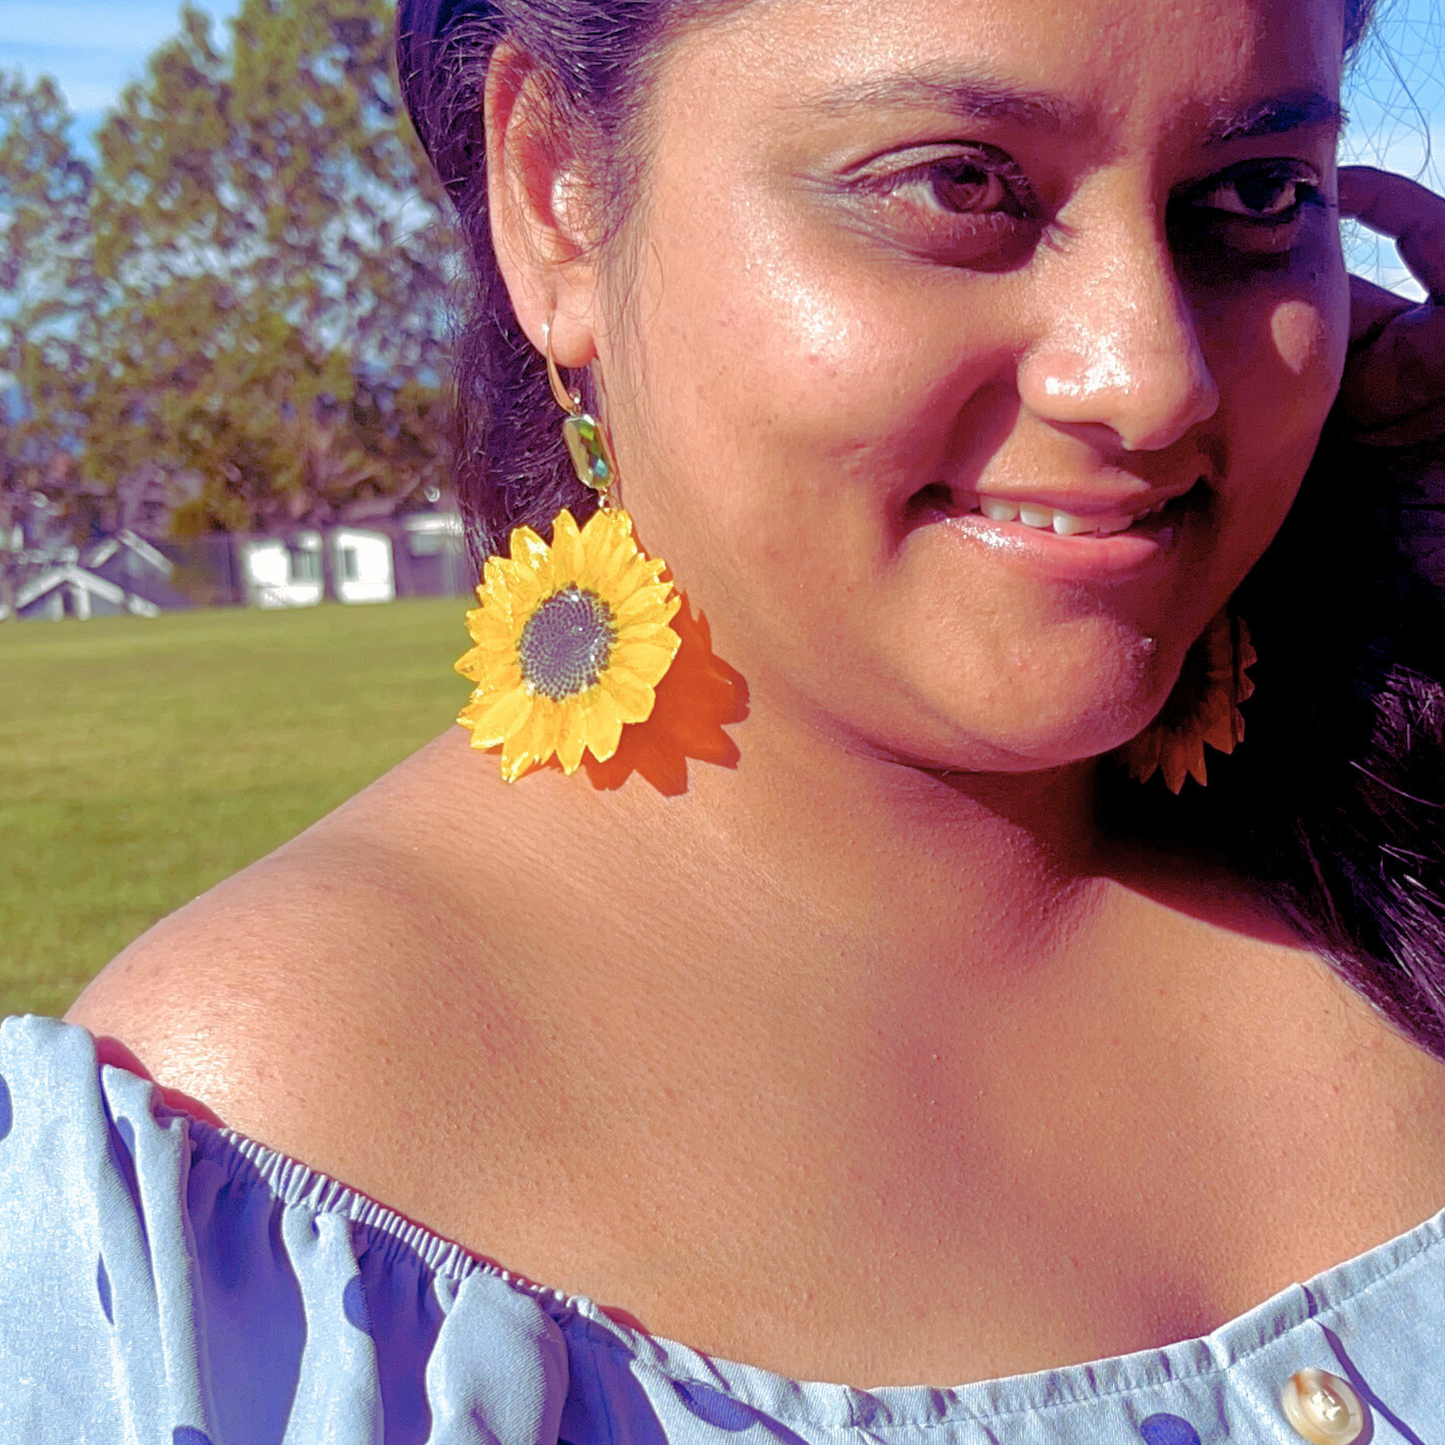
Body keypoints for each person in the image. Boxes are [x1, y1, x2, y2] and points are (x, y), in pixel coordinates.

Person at [3, 0, 1445, 1439]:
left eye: (1257, 196)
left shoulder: (1398, 841)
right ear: (555, 198)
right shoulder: (234, 1173)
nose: (1150, 377)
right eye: (955, 183)